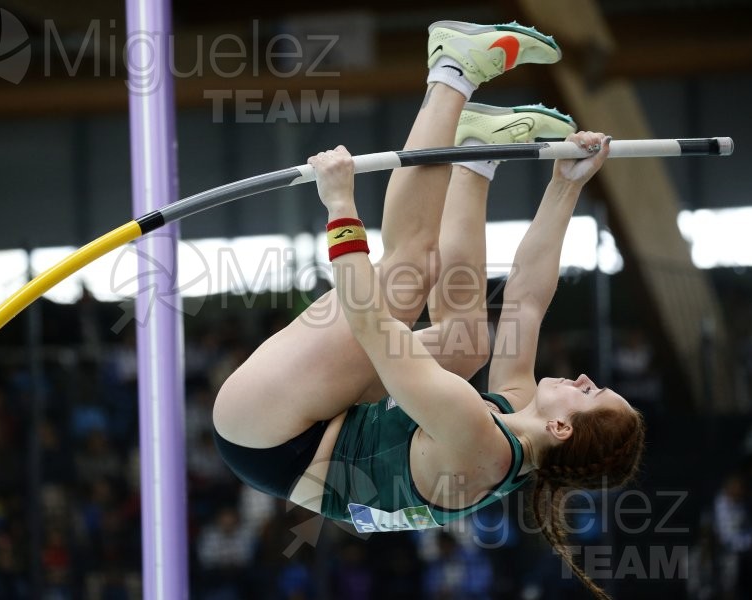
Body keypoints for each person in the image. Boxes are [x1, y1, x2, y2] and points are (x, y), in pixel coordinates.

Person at [212, 20, 645, 599]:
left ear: (563, 427)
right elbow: (526, 300)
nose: (589, 378)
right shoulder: (518, 424)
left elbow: (374, 327)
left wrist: (340, 207)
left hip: (267, 431)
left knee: (409, 268)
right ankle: (474, 158)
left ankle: (452, 70)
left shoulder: (477, 443)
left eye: (593, 393)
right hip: (325, 433)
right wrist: (565, 186)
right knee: (470, 343)